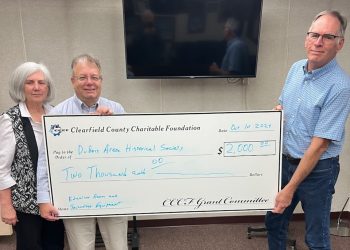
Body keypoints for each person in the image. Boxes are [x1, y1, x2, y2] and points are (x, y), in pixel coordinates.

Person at [265, 10, 350, 249]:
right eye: (314, 34)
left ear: (339, 44)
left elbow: (320, 144)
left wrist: (289, 189)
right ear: (306, 38)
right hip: (285, 161)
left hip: (319, 170)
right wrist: (275, 115)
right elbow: (283, 105)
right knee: (274, 222)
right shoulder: (295, 69)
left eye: (328, 36)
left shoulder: (340, 86)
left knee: (316, 237)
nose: (318, 42)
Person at [37, 54, 128, 250]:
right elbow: (45, 160)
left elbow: (128, 152)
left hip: (112, 194)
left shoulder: (116, 109)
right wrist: (44, 199)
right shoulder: (57, 114)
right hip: (74, 196)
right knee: (81, 247)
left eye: (94, 77)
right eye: (82, 77)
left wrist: (112, 128)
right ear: (72, 81)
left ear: (101, 80)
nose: (89, 83)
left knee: (118, 246)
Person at [0, 62, 64, 249]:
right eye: (30, 82)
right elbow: (2, 169)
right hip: (25, 205)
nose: (36, 87)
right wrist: (6, 206)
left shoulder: (56, 114)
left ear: (48, 87)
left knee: (55, 245)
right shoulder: (9, 120)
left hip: (54, 200)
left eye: (41, 82)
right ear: (21, 86)